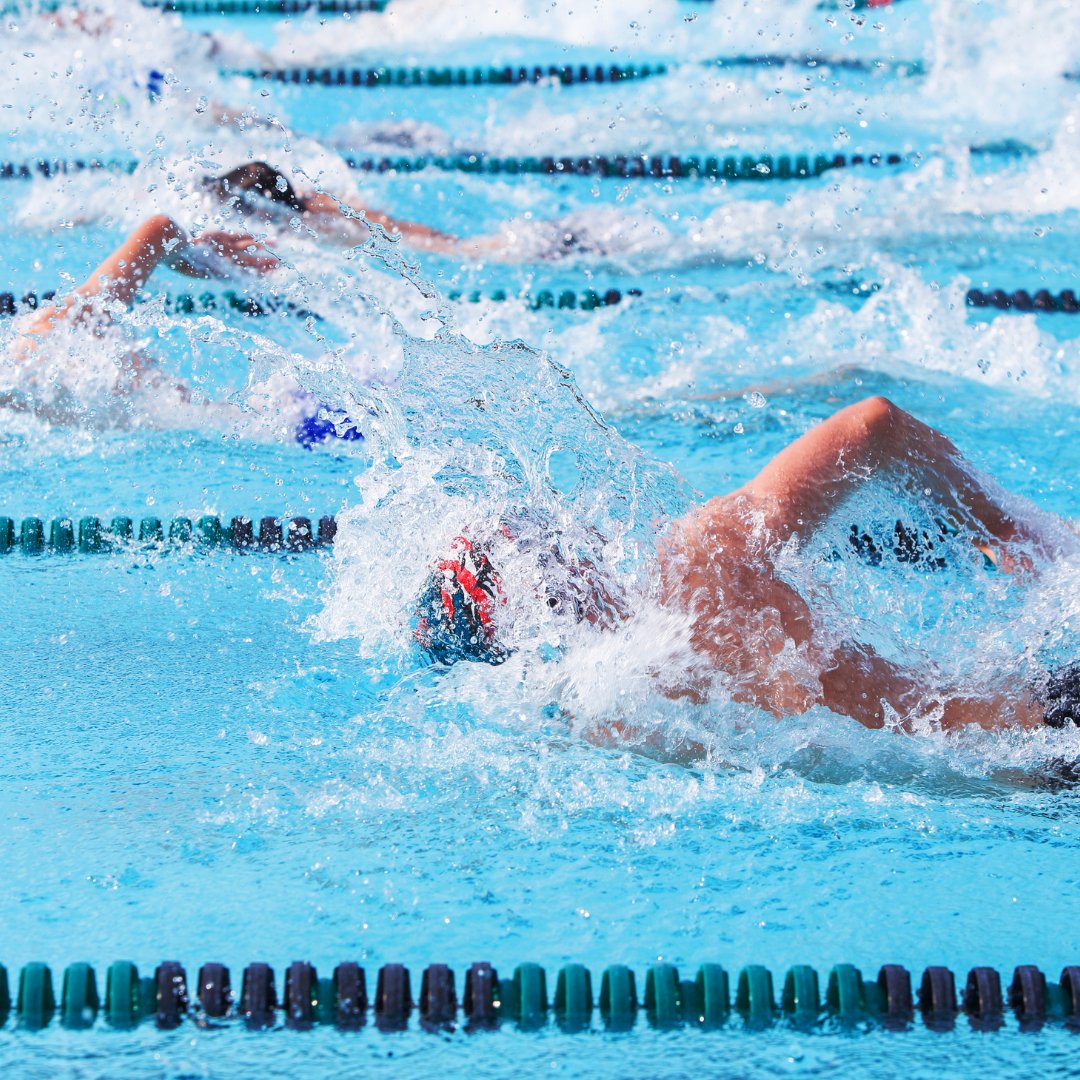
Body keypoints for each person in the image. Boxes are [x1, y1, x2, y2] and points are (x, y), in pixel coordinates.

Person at [417, 396, 1079, 734]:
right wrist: (1003, 526)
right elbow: (872, 425)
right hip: (1040, 725)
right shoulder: (697, 569)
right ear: (567, 572)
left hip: (1020, 773)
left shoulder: (603, 726)